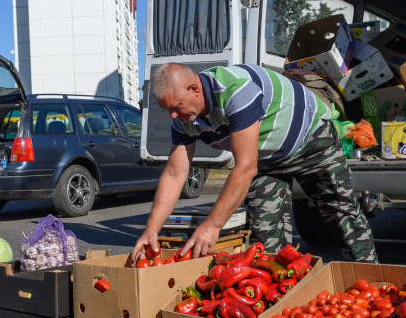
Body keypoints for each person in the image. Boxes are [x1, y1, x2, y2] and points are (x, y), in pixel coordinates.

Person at [131, 63, 378, 263]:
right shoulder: (182, 120)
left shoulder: (235, 90)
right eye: (168, 110)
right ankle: (283, 299)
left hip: (311, 141)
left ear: (194, 88)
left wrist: (212, 225)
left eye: (176, 107)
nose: (173, 116)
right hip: (267, 158)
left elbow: (245, 167)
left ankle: (371, 282)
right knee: (266, 235)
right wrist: (150, 230)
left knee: (342, 215)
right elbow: (175, 173)